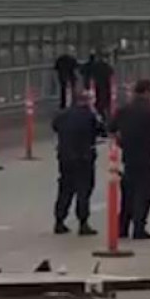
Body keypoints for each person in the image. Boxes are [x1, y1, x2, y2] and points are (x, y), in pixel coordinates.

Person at [108, 79, 150, 240]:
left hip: (129, 156)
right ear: (148, 91)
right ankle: (139, 227)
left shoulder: (124, 110)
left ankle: (122, 227)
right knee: (145, 192)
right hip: (148, 156)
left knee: (128, 192)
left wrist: (121, 143)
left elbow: (111, 129)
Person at [51, 90, 104, 235]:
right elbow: (101, 130)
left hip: (65, 156)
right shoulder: (90, 116)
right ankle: (83, 222)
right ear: (88, 101)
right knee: (83, 189)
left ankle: (59, 221)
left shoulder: (62, 115)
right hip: (84, 156)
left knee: (65, 188)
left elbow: (55, 127)